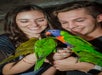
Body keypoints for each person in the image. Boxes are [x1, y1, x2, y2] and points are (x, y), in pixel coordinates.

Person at [0, 4, 59, 75]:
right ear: (14, 23)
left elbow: (54, 66)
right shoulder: (4, 40)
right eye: (24, 21)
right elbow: (6, 71)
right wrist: (38, 55)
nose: (34, 25)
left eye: (40, 20)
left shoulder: (56, 37)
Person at [52, 1, 102, 75]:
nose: (71, 26)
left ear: (99, 18)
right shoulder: (66, 43)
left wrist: (83, 67)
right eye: (64, 22)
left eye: (79, 20)